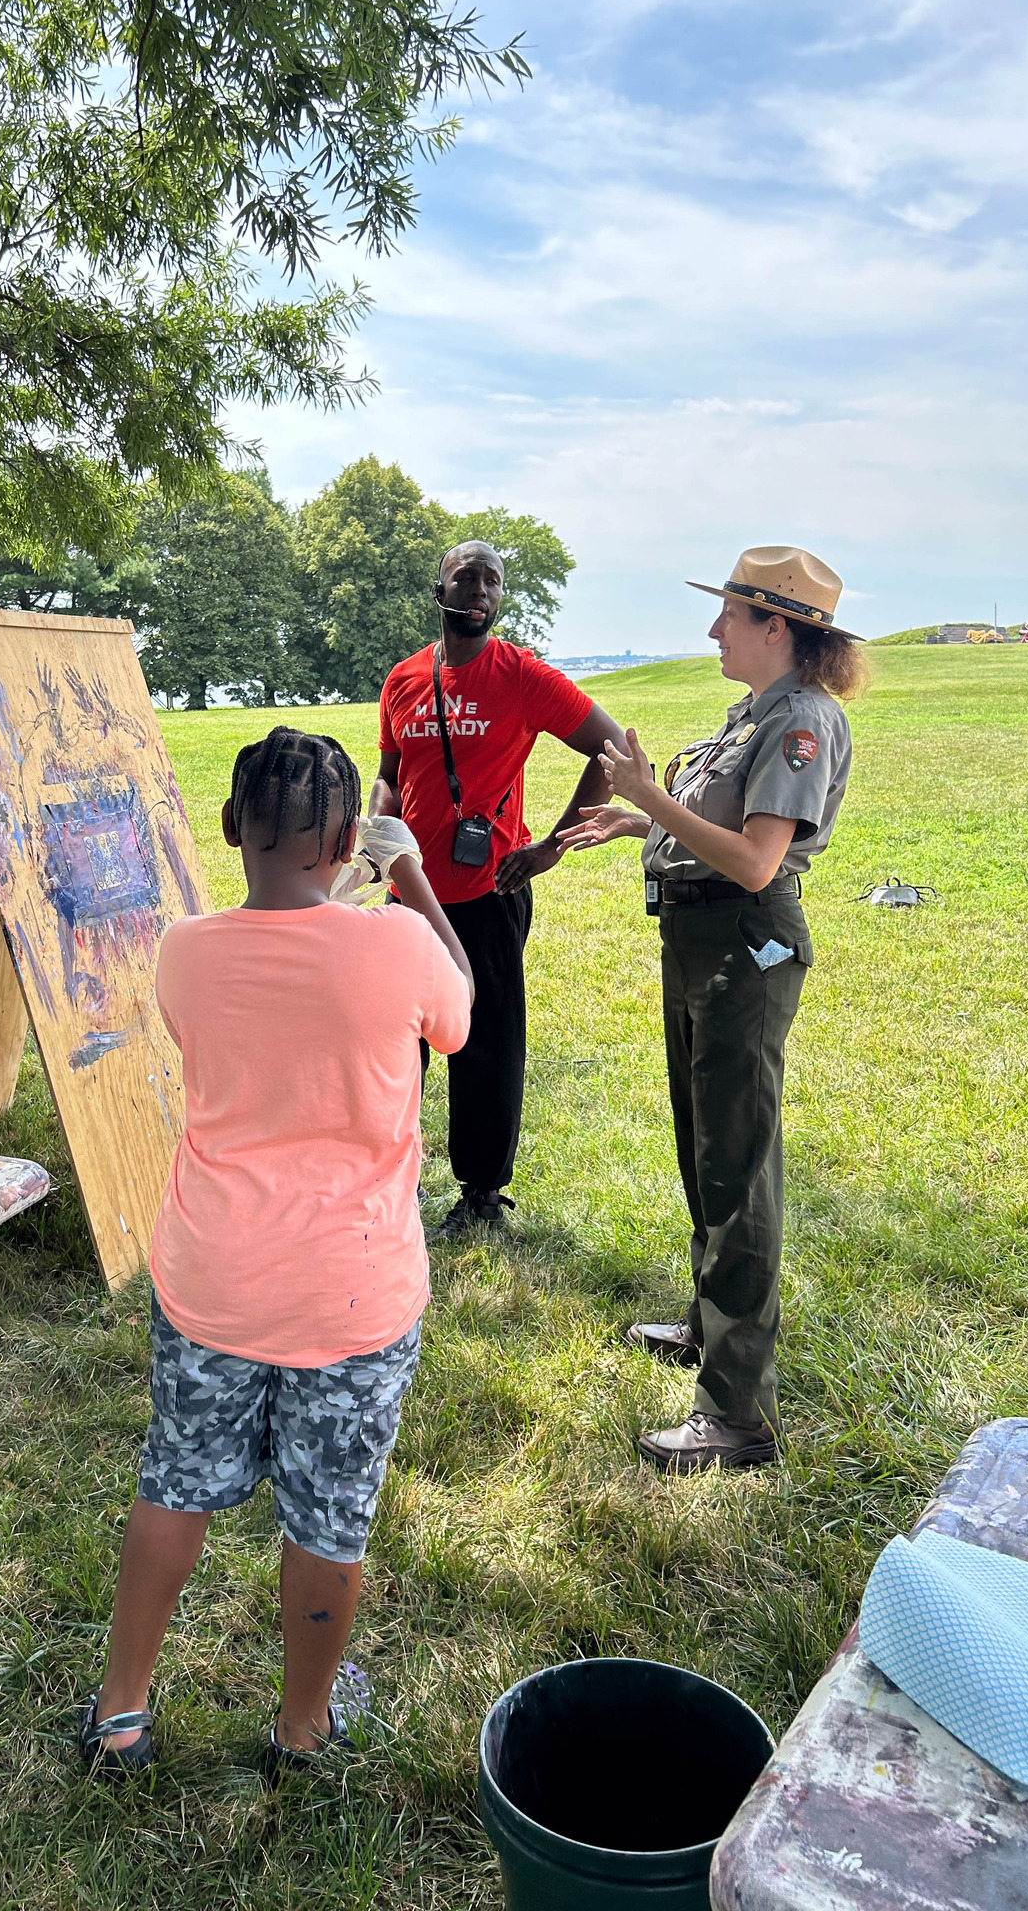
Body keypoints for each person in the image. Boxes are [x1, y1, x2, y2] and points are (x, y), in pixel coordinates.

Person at [80, 728, 472, 1778]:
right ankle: (302, 1725)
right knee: (329, 1511)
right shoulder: (395, 940)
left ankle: (119, 1709)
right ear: (348, 837)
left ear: (228, 829)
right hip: (352, 1290)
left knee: (174, 1480)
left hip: (213, 1274)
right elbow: (460, 1012)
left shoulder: (184, 949)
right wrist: (411, 876)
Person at [558, 547, 866, 1473]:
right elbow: (716, 830)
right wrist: (640, 820)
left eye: (728, 614)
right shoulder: (756, 716)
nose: (713, 630)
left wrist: (649, 794)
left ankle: (738, 1412)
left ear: (777, 626)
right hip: (700, 942)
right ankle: (711, 1323)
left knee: (737, 1164)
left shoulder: (802, 722)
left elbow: (757, 860)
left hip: (744, 946)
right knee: (704, 1143)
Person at [370, 540, 628, 1237]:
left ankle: (481, 1196)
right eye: (467, 578)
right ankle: (390, 1176)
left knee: (485, 1044)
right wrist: (376, 837)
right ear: (440, 590)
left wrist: (551, 847)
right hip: (410, 895)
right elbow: (392, 772)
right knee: (400, 1043)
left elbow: (613, 752)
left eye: (493, 582)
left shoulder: (522, 676)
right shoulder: (402, 681)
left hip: (489, 891)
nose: (481, 590)